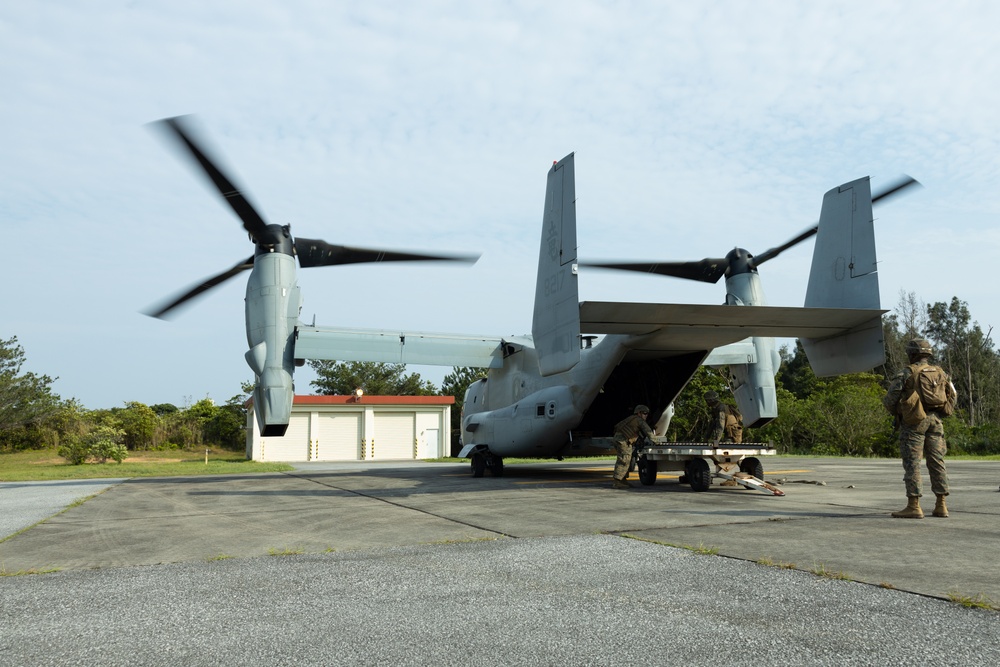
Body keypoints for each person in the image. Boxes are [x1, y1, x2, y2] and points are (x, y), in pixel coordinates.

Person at [882, 338, 957, 519]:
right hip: (936, 420)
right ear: (928, 354)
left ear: (912, 353)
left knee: (912, 463)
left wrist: (899, 412)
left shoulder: (907, 373)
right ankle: (941, 505)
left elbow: (890, 399)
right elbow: (953, 394)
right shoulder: (940, 373)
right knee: (937, 461)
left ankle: (914, 506)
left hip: (914, 422)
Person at [611, 405, 654, 489]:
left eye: (647, 414)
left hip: (620, 439)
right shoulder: (639, 420)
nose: (646, 415)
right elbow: (648, 432)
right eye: (644, 413)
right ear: (639, 413)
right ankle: (617, 481)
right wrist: (657, 441)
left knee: (627, 459)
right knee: (624, 459)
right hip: (623, 441)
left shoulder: (631, 418)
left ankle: (622, 480)